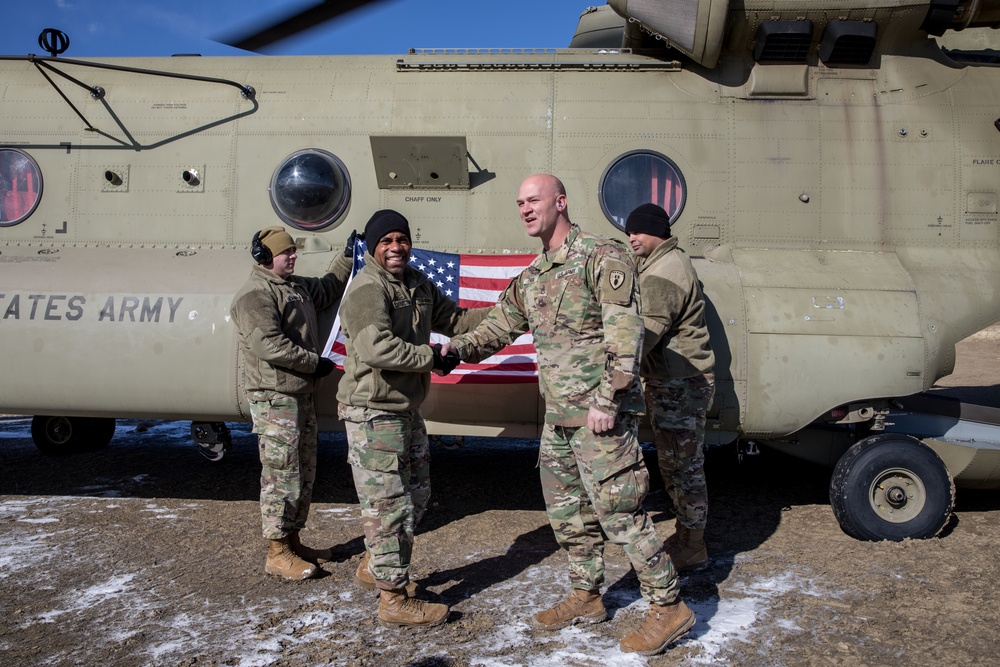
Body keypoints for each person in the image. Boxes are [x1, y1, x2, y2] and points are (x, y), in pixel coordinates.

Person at [446, 174, 695, 656]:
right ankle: (586, 595)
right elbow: (499, 324)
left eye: (533, 200)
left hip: (598, 418)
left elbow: (626, 337)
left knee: (621, 513)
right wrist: (455, 350)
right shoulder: (536, 274)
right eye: (519, 202)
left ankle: (668, 607)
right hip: (558, 419)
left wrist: (607, 401)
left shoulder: (603, 257)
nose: (524, 209)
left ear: (560, 202)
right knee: (570, 516)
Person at [336, 209, 487, 628]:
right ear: (372, 247)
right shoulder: (367, 288)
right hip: (373, 412)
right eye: (386, 241)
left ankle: (375, 565)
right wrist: (431, 357)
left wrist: (506, 311)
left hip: (405, 409)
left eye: (401, 239)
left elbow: (455, 320)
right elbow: (376, 349)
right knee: (389, 508)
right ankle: (393, 599)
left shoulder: (418, 283)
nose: (396, 247)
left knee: (416, 498)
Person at [230, 225, 353, 581]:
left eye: (293, 251)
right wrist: (316, 363)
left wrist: (348, 255)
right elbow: (268, 345)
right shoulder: (255, 294)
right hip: (274, 397)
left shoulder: (295, 287)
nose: (293, 256)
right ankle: (277, 551)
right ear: (265, 258)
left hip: (299, 395)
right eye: (286, 253)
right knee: (280, 474)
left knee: (302, 471)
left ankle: (293, 540)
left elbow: (329, 288)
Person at [625, 203, 716, 573]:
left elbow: (643, 337)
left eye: (637, 232)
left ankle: (693, 546)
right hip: (675, 382)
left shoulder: (664, 272)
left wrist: (608, 366)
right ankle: (687, 537)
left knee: (682, 468)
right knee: (678, 464)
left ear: (656, 232)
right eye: (628, 232)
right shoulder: (663, 262)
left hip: (679, 386)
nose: (631, 238)